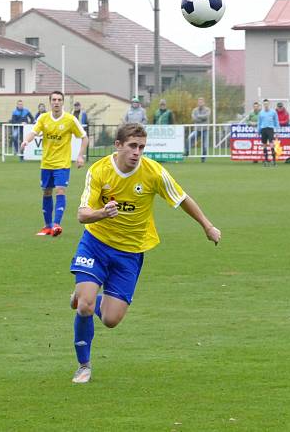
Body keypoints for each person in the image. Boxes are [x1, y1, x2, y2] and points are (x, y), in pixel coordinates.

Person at [68, 122, 221, 384]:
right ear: (118, 146)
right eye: (132, 146)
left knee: (111, 320)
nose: (137, 152)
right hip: (96, 243)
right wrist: (102, 213)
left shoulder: (153, 173)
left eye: (141, 147)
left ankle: (85, 293)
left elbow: (182, 198)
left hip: (130, 253)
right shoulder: (100, 171)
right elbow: (82, 214)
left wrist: (207, 226)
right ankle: (84, 365)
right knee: (85, 306)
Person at [20, 91, 89, 236]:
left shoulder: (70, 120)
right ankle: (47, 226)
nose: (56, 102)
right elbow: (33, 132)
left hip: (62, 164)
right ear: (50, 102)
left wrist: (80, 156)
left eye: (59, 100)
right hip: (46, 163)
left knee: (60, 190)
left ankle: (57, 224)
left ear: (62, 102)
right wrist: (26, 140)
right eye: (54, 100)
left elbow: (84, 137)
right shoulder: (43, 118)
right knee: (46, 192)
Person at [257, 99, 280, 167]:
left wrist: (277, 131)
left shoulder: (273, 112)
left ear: (269, 104)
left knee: (271, 144)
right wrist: (258, 131)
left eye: (267, 104)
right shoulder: (261, 113)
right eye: (265, 104)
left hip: (270, 129)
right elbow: (259, 122)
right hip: (263, 129)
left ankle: (274, 161)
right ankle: (266, 160)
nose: (266, 105)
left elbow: (276, 121)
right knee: (264, 145)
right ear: (263, 105)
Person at [187, 97, 210, 162]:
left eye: (201, 102)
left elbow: (206, 116)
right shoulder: (194, 110)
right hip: (197, 129)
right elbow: (193, 118)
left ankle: (203, 159)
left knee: (205, 145)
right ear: (197, 103)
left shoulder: (207, 109)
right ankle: (187, 151)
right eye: (199, 102)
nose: (200, 103)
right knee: (190, 138)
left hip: (205, 129)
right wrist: (200, 118)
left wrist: (198, 116)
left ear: (204, 103)